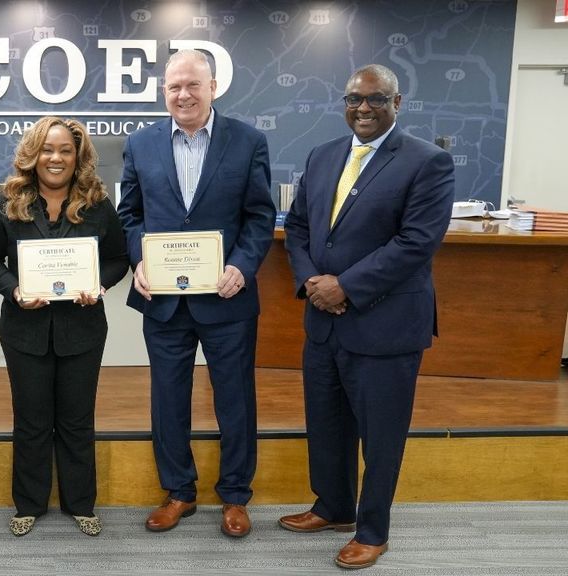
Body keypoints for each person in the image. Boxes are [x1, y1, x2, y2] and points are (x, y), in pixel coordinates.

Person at [281, 64, 455, 569]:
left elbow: (416, 243)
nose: (362, 107)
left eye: (375, 99)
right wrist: (313, 281)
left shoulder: (428, 162)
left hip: (385, 326)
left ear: (396, 104)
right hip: (324, 322)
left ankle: (373, 530)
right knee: (327, 424)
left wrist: (346, 287)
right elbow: (297, 228)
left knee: (381, 436)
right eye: (354, 98)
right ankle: (332, 506)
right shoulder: (322, 156)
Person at [116, 49, 276, 537]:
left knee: (234, 399)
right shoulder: (140, 144)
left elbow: (259, 216)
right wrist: (139, 259)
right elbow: (130, 215)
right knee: (168, 398)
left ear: (213, 88)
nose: (182, 94)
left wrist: (243, 266)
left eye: (192, 85)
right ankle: (179, 492)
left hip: (226, 298)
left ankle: (234, 495)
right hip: (163, 299)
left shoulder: (247, 142)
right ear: (163, 91)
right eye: (173, 87)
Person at [0, 117, 128, 537]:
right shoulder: (7, 202)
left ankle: (81, 503)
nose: (55, 158)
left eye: (65, 150)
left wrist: (100, 283)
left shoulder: (97, 203)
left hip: (83, 329)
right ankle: (29, 504)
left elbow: (118, 257)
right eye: (47, 149)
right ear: (32, 154)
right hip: (25, 331)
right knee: (31, 419)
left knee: (78, 420)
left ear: (78, 156)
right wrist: (14, 289)